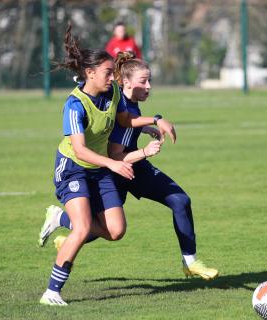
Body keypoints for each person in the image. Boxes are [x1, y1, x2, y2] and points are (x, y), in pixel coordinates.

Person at [39, 52, 218, 283]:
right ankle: (64, 225)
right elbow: (116, 154)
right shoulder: (102, 99)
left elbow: (126, 120)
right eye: (144, 81)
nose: (149, 86)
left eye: (149, 80)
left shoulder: (122, 100)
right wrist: (145, 149)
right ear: (126, 82)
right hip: (114, 168)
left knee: (179, 201)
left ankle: (190, 262)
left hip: (129, 166)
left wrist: (151, 122)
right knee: (105, 227)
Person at [39, 26, 176, 307]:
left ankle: (59, 219)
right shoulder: (74, 106)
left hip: (99, 168)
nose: (113, 76)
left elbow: (125, 120)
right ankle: (52, 291)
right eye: (107, 71)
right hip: (73, 168)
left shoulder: (112, 90)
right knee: (84, 227)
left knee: (115, 231)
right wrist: (113, 164)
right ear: (90, 74)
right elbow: (79, 149)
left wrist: (154, 121)